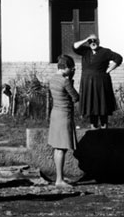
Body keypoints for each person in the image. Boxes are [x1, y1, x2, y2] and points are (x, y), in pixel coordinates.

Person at [73, 34, 123, 129]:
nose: (93, 43)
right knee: (91, 104)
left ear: (98, 42)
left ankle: (104, 127)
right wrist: (86, 39)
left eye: (95, 41)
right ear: (88, 43)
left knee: (102, 103)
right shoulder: (85, 51)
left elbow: (118, 58)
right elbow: (74, 46)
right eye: (90, 41)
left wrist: (109, 69)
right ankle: (93, 127)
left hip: (101, 82)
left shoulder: (105, 52)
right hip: (88, 82)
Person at [48, 54, 80, 188]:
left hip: (55, 114)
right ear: (65, 67)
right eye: (71, 68)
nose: (73, 70)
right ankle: (59, 180)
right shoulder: (65, 81)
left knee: (57, 148)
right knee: (61, 148)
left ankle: (59, 176)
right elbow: (75, 97)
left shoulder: (52, 79)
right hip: (64, 115)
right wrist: (70, 79)